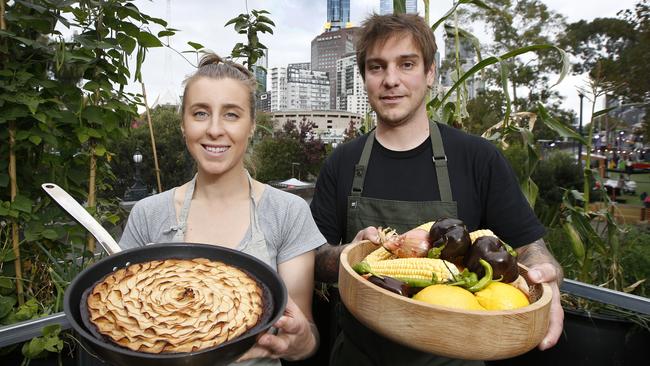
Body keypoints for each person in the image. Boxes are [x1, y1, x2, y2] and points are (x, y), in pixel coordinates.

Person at [309, 13, 564, 366]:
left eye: (407, 64)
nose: (391, 80)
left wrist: (545, 280)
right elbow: (313, 259)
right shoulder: (342, 162)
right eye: (377, 67)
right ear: (365, 77)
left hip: (457, 356)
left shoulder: (478, 158)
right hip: (359, 355)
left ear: (430, 73)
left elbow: (530, 248)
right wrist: (353, 257)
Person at [119, 53, 325, 364]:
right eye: (200, 113)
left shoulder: (287, 212)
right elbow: (123, 323)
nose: (215, 129)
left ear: (252, 125)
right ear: (183, 125)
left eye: (231, 114)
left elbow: (304, 333)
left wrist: (299, 340)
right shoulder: (148, 214)